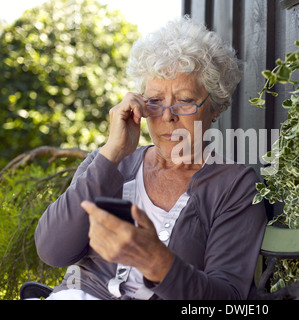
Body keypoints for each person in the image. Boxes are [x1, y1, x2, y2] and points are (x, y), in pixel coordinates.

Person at [34, 16, 267, 300]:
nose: (168, 116)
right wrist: (113, 152)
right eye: (155, 101)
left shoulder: (234, 185)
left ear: (214, 108)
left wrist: (157, 263)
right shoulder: (110, 161)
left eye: (185, 100)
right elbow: (53, 250)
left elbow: (228, 298)